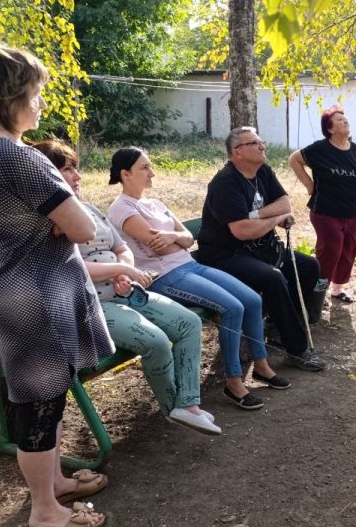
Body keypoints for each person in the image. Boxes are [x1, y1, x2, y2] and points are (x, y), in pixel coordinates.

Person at [0, 30, 111, 527]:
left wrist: (55, 220)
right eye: (35, 94)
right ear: (10, 98)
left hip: (11, 293)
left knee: (47, 398)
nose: (41, 103)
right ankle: (45, 512)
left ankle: (55, 484)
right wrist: (60, 221)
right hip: (32, 299)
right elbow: (84, 228)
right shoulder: (17, 157)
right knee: (39, 406)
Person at [33, 140, 220, 435]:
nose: (78, 176)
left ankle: (188, 405)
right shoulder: (43, 222)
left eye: (76, 168)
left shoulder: (89, 209)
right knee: (156, 342)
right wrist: (122, 271)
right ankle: (173, 407)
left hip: (125, 291)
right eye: (67, 169)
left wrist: (124, 271)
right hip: (92, 306)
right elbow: (73, 268)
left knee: (189, 322)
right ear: (47, 174)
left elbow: (121, 247)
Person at [106, 147, 289, 411]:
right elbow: (159, 247)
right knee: (232, 307)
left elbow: (190, 238)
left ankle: (261, 366)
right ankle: (234, 381)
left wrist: (174, 237)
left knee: (251, 300)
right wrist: (177, 240)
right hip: (164, 276)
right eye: (144, 168)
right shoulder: (121, 208)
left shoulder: (155, 204)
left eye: (150, 166)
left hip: (190, 265)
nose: (152, 173)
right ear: (125, 174)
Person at [195, 127, 327, 372]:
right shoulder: (225, 182)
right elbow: (242, 231)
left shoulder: (262, 171)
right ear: (237, 152)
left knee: (309, 266)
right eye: (255, 143)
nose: (262, 146)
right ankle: (297, 350)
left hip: (260, 248)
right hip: (224, 256)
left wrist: (255, 215)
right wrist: (274, 219)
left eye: (261, 141)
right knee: (272, 278)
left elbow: (285, 204)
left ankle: (277, 327)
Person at [288, 105, 356, 304]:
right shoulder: (320, 149)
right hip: (325, 212)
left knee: (348, 251)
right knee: (330, 251)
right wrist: (309, 185)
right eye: (339, 119)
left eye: (345, 118)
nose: (345, 120)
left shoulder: (354, 149)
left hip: (351, 212)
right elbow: (294, 159)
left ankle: (337, 289)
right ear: (330, 128)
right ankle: (319, 292)